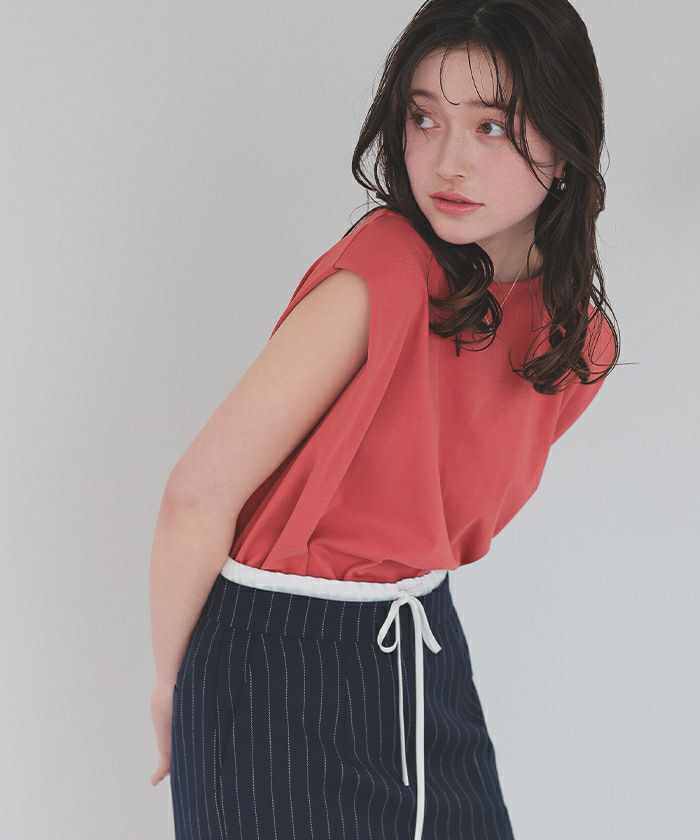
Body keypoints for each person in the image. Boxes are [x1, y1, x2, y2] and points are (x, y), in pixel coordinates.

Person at [149, 1, 620, 838]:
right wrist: (175, 688)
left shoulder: (577, 343)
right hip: (275, 660)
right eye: (424, 117)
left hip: (425, 654)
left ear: (565, 146)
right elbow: (198, 492)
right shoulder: (386, 271)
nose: (447, 160)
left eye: (491, 128)